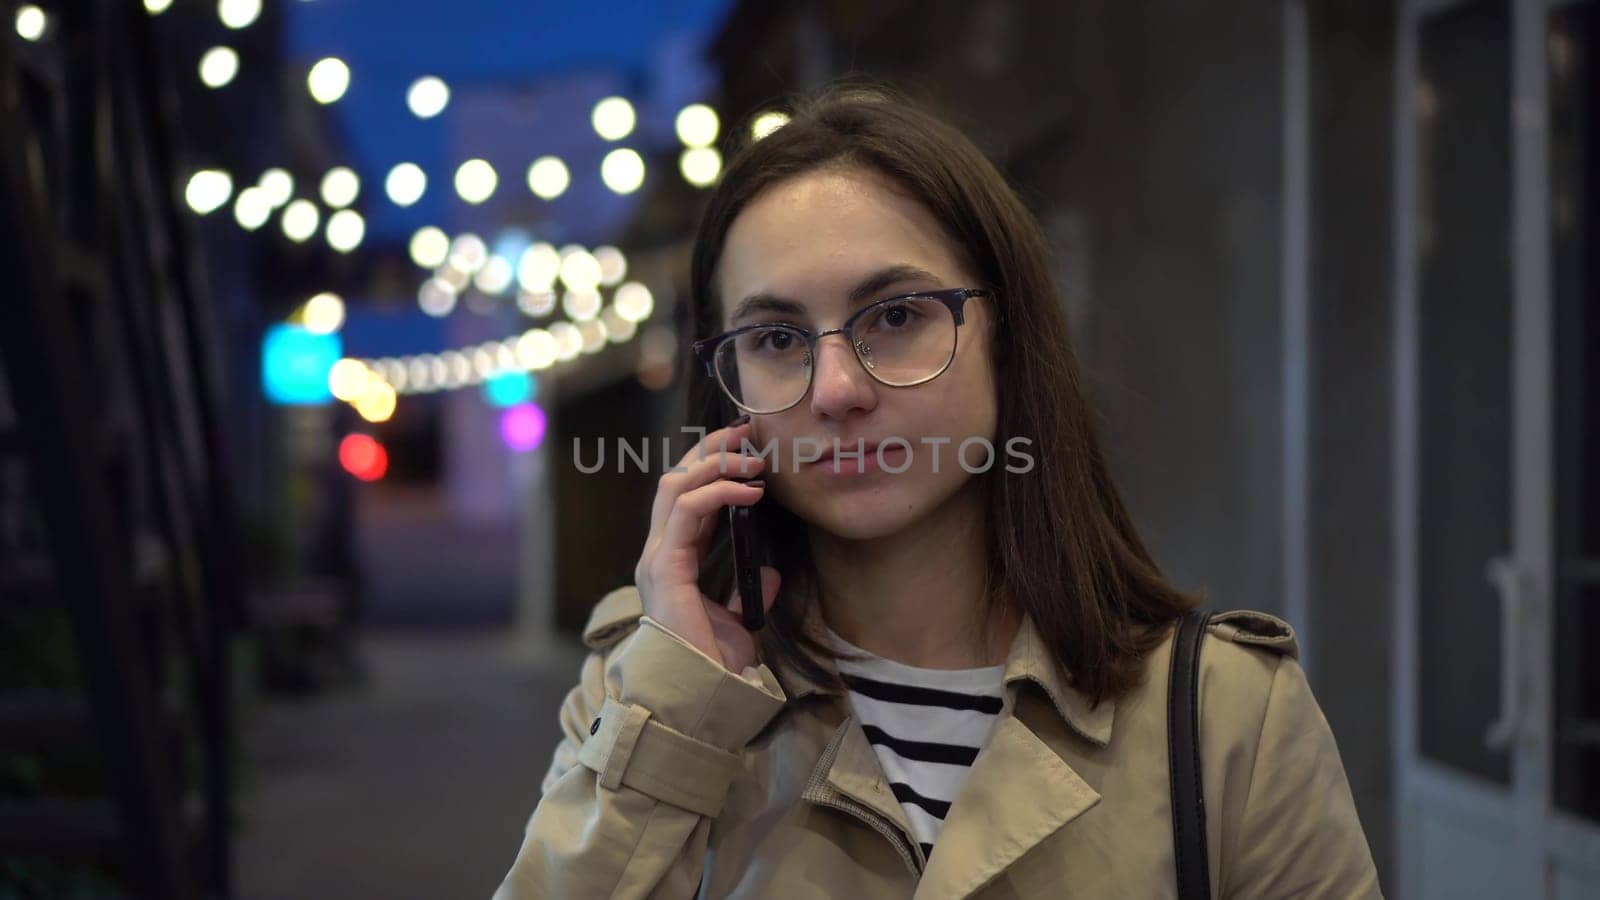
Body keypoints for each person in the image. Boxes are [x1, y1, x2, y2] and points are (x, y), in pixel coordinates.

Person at [493, 83, 1381, 899]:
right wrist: (680, 707)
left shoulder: (1227, 714)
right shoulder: (648, 686)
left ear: (1009, 334)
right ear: (727, 393)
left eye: (897, 317)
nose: (838, 389)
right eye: (775, 338)